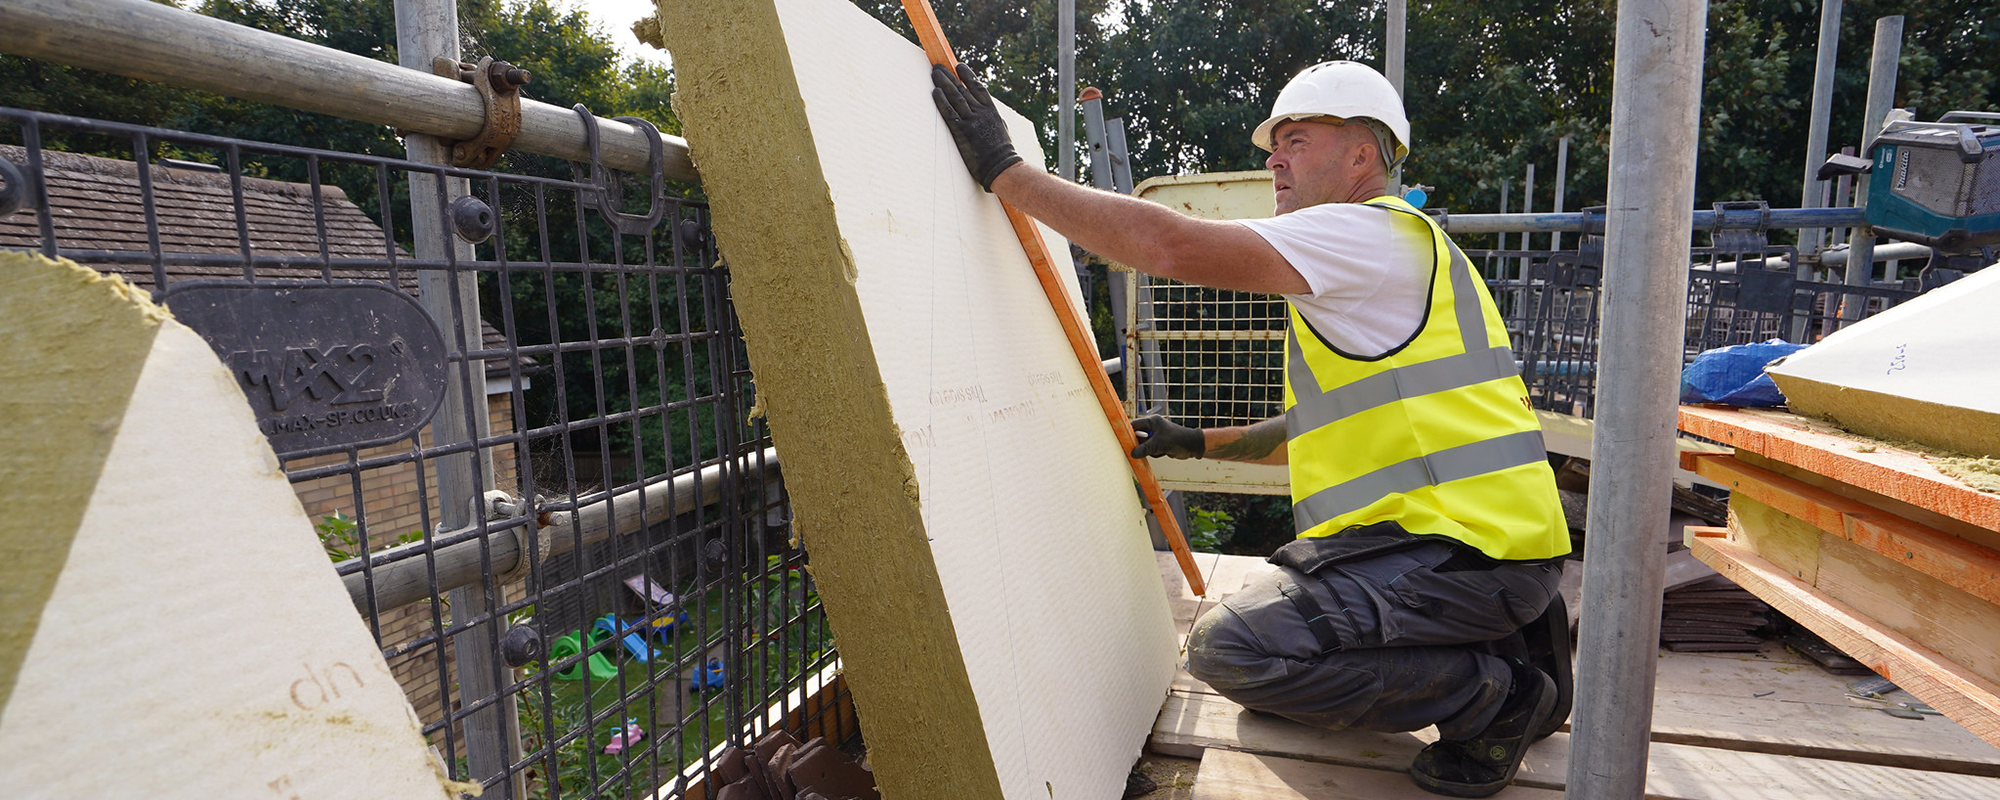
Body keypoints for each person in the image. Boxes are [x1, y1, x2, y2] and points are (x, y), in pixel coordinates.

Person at [930, 60, 1572, 797]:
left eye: (1295, 139)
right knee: (1270, 656)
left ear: (1362, 155)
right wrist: (1195, 442)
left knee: (1235, 651)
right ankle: (1505, 640)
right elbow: (1317, 428)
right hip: (1482, 553)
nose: (1274, 157)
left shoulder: (1365, 234)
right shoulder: (1406, 250)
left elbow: (1169, 247)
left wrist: (1006, 172)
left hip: (1461, 556)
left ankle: (1496, 695)